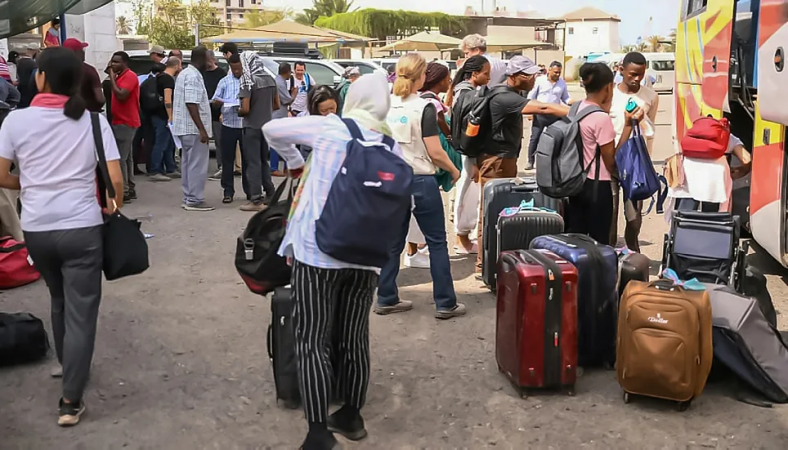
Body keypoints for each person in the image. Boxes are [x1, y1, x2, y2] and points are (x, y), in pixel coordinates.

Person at [262, 72, 399, 449]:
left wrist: (293, 162)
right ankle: (352, 416)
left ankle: (319, 432)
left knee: (312, 340)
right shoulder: (390, 143)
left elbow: (272, 129)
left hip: (317, 251)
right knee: (355, 338)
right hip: (366, 257)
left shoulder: (331, 128)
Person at [0, 46, 125, 427]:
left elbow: (1, 174)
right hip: (82, 226)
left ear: (40, 78)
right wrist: (112, 205)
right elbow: (116, 181)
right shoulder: (92, 121)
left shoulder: (16, 122)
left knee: (58, 299)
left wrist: (29, 183)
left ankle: (65, 364)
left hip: (37, 227)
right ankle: (70, 400)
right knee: (82, 310)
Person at [377, 53, 464, 319]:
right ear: (421, 75)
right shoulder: (423, 107)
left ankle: (386, 297)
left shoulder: (385, 106)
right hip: (420, 179)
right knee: (437, 242)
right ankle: (445, 303)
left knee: (392, 242)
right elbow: (435, 151)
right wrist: (453, 169)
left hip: (391, 179)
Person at [474, 56, 570, 274]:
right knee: (490, 210)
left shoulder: (511, 93)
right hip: (496, 160)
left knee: (503, 209)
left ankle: (496, 257)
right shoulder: (505, 97)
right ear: (516, 77)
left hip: (504, 158)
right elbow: (543, 108)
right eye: (529, 75)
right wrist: (579, 111)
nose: (534, 79)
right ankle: (484, 263)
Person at [564, 63, 642, 244]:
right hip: (597, 188)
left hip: (575, 184)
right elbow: (611, 161)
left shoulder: (576, 108)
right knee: (600, 243)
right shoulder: (601, 118)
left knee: (577, 239)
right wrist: (628, 126)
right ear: (608, 87)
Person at [608, 52, 659, 252]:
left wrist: (642, 119)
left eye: (641, 74)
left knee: (634, 216)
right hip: (610, 161)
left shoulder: (651, 96)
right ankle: (609, 252)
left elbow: (651, 130)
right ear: (621, 71)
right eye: (632, 74)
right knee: (609, 213)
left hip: (636, 164)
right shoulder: (609, 94)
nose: (636, 79)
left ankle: (632, 249)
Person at [447, 55, 491, 254]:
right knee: (467, 194)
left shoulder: (462, 91)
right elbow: (469, 129)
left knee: (467, 193)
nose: (489, 78)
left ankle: (462, 237)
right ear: (474, 74)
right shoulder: (467, 95)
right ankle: (461, 239)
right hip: (468, 153)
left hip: (465, 152)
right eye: (486, 74)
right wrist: (472, 158)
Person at [172, 46, 214, 212]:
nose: (210, 63)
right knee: (196, 165)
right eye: (209, 59)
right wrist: (202, 130)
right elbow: (191, 103)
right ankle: (195, 200)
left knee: (189, 164)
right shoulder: (192, 76)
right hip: (193, 129)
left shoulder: (185, 74)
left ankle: (189, 197)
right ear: (202, 58)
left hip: (186, 128)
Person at [670, 133, 752, 213]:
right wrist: (741, 170)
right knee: (711, 215)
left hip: (689, 176)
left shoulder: (692, 133)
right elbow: (746, 159)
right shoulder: (728, 137)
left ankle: (682, 225)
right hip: (714, 179)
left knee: (684, 214)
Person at [238, 51, 279, 211]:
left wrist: (238, 110)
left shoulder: (247, 81)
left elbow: (245, 109)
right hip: (266, 127)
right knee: (263, 161)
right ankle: (270, 193)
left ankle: (256, 199)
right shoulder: (270, 79)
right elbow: (276, 105)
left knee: (252, 163)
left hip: (252, 127)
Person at [212, 53, 247, 204]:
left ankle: (251, 192)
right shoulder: (224, 82)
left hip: (245, 125)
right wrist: (218, 103)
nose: (237, 71)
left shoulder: (248, 82)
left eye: (239, 68)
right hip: (228, 125)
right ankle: (228, 191)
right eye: (234, 69)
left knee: (248, 160)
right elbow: (215, 100)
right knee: (227, 161)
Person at [107, 51, 141, 203]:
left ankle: (125, 190)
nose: (113, 64)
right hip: (119, 120)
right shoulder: (121, 75)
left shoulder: (129, 76)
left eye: (116, 62)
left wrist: (112, 79)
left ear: (125, 63)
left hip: (126, 122)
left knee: (120, 158)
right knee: (127, 158)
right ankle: (130, 187)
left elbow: (122, 95)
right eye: (112, 61)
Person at [525, 61, 571, 170]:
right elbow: (531, 96)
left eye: (559, 72)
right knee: (535, 138)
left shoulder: (562, 83)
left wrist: (575, 103)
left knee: (557, 137)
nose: (557, 74)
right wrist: (531, 112)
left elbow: (566, 98)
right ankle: (530, 161)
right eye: (555, 72)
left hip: (554, 114)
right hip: (540, 114)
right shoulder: (539, 81)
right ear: (549, 70)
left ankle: (555, 160)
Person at [148, 57, 181, 182]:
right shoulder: (168, 79)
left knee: (168, 143)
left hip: (157, 114)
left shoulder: (160, 76)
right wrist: (170, 117)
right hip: (163, 116)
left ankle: (170, 168)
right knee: (161, 143)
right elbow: (167, 99)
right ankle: (155, 170)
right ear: (177, 65)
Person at [203, 50, 227, 181]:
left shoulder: (221, 74)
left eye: (207, 60)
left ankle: (221, 166)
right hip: (203, 113)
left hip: (217, 113)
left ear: (212, 59)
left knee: (219, 141)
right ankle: (201, 167)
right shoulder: (202, 73)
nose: (205, 63)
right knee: (203, 141)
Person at [62, 38, 105, 113]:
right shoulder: (89, 70)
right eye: (81, 50)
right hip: (86, 113)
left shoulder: (57, 69)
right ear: (75, 52)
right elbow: (100, 99)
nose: (83, 52)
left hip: (63, 112)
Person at [271, 62, 298, 176]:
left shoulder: (278, 81)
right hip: (278, 116)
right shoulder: (280, 83)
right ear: (287, 72)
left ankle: (285, 167)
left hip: (279, 115)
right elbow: (287, 100)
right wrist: (294, 94)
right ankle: (274, 168)